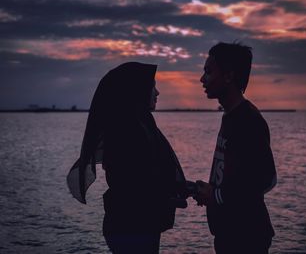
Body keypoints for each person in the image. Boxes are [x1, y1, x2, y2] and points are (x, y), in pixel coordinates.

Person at [66, 62, 188, 254]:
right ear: (137, 91)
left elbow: (152, 176)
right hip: (131, 227)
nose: (157, 93)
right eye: (152, 87)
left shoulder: (140, 124)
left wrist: (182, 189)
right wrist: (179, 191)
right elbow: (139, 184)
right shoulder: (128, 131)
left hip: (136, 224)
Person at [194, 42, 277, 254]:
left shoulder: (249, 121)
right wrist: (209, 191)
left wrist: (215, 196)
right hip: (229, 235)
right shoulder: (230, 116)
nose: (202, 79)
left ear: (229, 76)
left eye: (209, 72)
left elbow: (266, 178)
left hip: (246, 237)